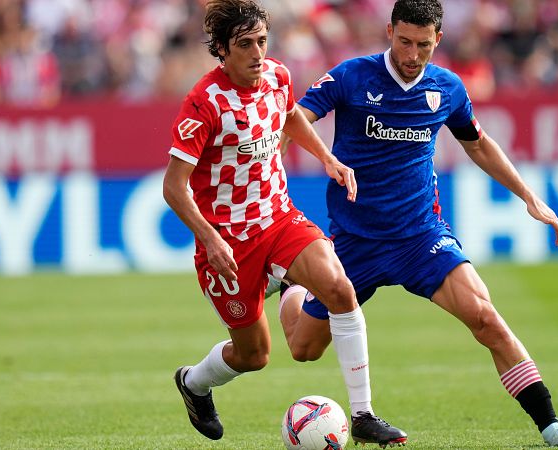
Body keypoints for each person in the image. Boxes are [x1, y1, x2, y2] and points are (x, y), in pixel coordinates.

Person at [278, 0, 558, 446]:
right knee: (303, 349)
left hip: (420, 237)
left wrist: (528, 196)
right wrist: (318, 160)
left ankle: (552, 426)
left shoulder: (447, 88)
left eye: (423, 45)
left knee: (486, 317)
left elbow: (478, 145)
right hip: (356, 242)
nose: (412, 55)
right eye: (404, 41)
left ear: (438, 40)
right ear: (389, 31)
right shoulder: (351, 76)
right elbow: (293, 120)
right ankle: (292, 288)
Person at [162, 0, 406, 445]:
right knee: (254, 356)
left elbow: (290, 116)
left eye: (261, 41)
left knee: (339, 288)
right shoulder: (203, 103)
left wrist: (327, 158)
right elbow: (173, 187)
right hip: (229, 243)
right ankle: (194, 383)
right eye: (244, 45)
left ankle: (364, 414)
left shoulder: (276, 75)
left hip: (278, 217)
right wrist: (209, 238)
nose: (257, 53)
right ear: (220, 48)